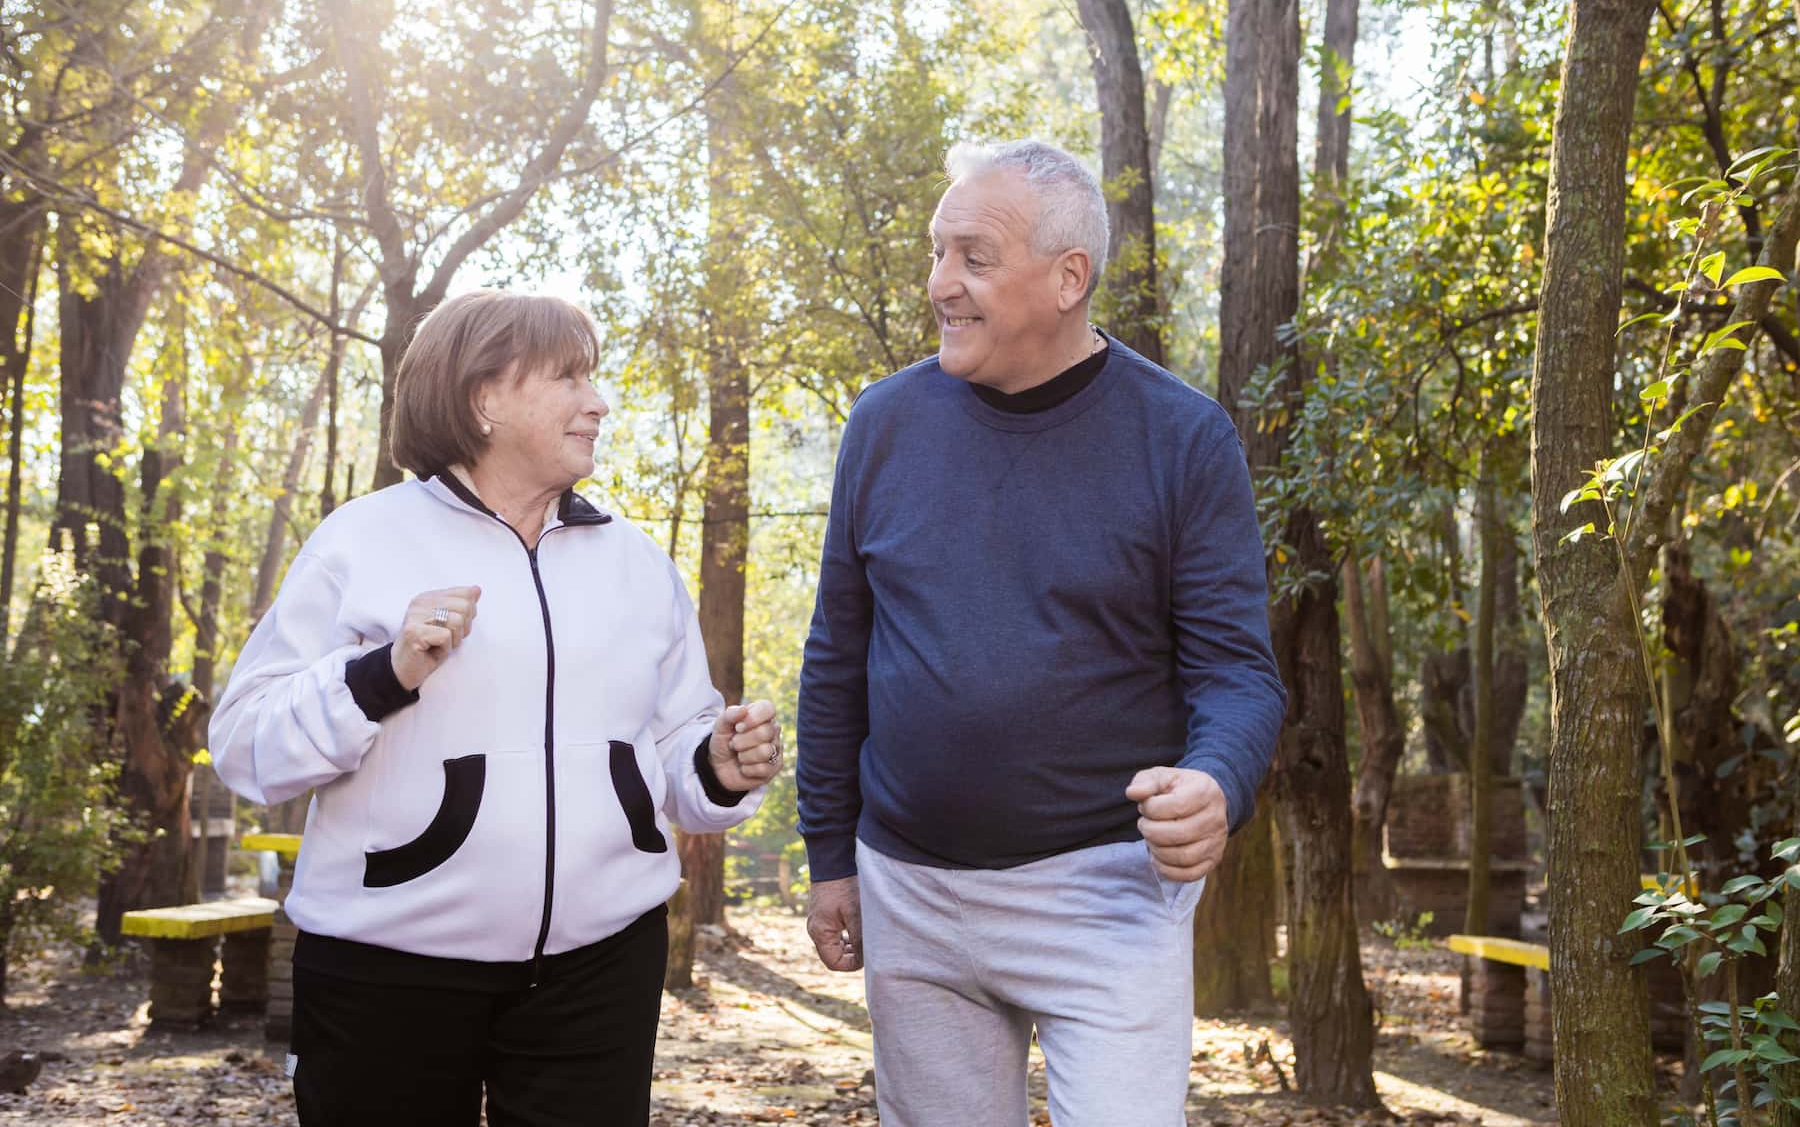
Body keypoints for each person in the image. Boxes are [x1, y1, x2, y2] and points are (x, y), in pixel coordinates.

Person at [795, 140, 1287, 1126]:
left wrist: (1216, 782)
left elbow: (1238, 676)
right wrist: (830, 859)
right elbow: (837, 657)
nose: (941, 284)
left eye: (973, 258)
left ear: (1070, 278)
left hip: (1106, 898)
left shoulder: (1184, 438)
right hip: (914, 896)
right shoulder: (883, 425)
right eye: (938, 254)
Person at [210, 290, 782, 1127]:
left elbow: (670, 752)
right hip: (389, 968)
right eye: (568, 378)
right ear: (485, 399)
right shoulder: (361, 542)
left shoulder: (634, 561)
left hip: (601, 967)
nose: (600, 401)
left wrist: (716, 768)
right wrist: (380, 675)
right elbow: (246, 750)